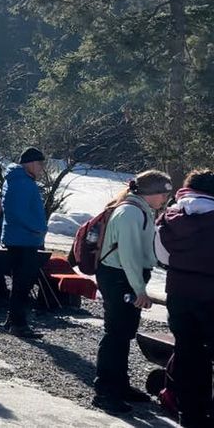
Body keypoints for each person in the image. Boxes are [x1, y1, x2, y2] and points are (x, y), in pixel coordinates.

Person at [91, 171, 173, 415]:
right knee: (115, 334)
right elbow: (128, 255)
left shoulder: (140, 210)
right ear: (152, 193)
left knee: (124, 333)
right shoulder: (130, 212)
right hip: (119, 278)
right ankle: (105, 391)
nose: (165, 200)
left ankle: (119, 385)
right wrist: (139, 289)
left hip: (123, 277)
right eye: (163, 194)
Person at [157, 169, 214, 427]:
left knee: (188, 354)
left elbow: (161, 257)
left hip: (179, 293)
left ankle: (189, 416)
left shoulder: (169, 217)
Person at [1, 147, 49, 339]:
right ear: (30, 163)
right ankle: (18, 324)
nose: (41, 168)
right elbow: (18, 212)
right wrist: (38, 227)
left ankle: (12, 319)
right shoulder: (22, 182)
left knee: (20, 282)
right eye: (39, 163)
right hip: (24, 239)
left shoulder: (18, 180)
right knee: (23, 283)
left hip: (19, 238)